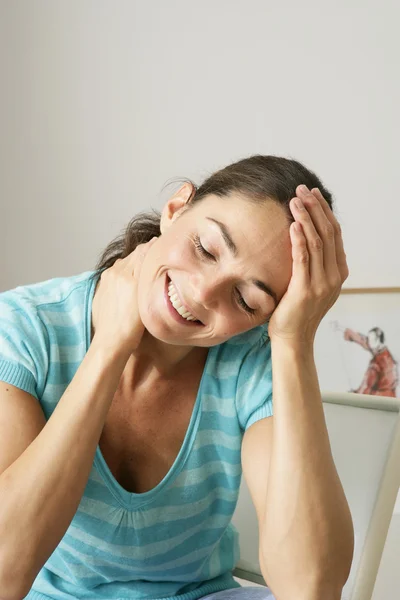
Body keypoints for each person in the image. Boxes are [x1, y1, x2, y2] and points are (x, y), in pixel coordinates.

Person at [0, 155, 354, 600]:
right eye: (205, 248)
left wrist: (295, 341)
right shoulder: (23, 328)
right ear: (175, 209)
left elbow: (312, 588)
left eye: (245, 299)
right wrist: (110, 347)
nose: (203, 292)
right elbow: (5, 574)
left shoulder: (255, 362)